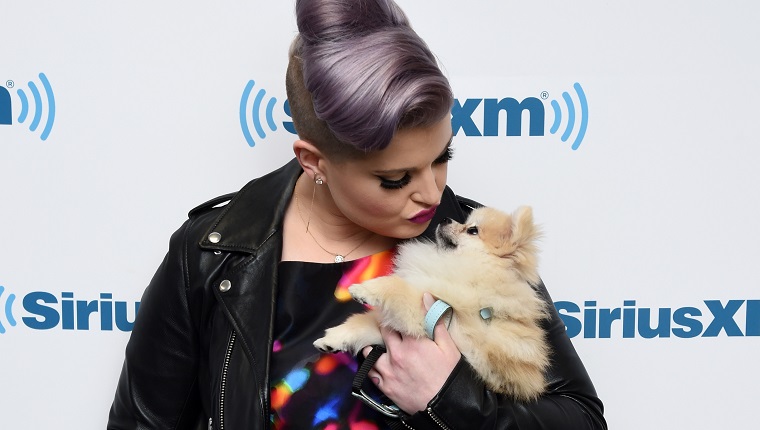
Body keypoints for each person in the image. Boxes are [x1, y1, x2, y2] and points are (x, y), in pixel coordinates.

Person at [108, 0, 607, 428]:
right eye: (395, 180)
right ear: (314, 162)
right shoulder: (213, 254)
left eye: (442, 158)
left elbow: (582, 418)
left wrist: (456, 403)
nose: (432, 194)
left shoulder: (480, 250)